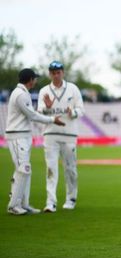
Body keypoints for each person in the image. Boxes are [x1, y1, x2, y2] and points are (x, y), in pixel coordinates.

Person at [5, 68, 65, 215]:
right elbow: (32, 115)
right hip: (17, 136)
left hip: (23, 135)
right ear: (30, 80)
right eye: (35, 78)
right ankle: (13, 206)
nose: (36, 81)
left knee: (25, 170)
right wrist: (52, 120)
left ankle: (24, 204)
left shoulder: (23, 93)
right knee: (23, 169)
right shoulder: (19, 94)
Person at [37, 61, 84, 212]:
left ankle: (71, 198)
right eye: (53, 73)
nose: (56, 75)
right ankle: (50, 202)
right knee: (51, 168)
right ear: (49, 74)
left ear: (63, 72)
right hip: (50, 134)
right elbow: (39, 112)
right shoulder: (44, 91)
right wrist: (47, 108)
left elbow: (81, 109)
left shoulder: (72, 89)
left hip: (69, 134)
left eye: (58, 72)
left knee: (70, 168)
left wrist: (73, 113)